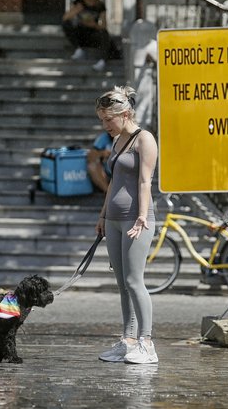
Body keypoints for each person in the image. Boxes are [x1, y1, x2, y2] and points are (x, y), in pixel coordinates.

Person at [94, 85, 159, 364]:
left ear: (126, 113)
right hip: (114, 221)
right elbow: (113, 183)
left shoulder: (144, 139)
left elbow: (145, 181)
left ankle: (147, 343)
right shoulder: (116, 141)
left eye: (109, 119)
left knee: (135, 281)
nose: (105, 125)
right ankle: (128, 340)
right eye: (102, 120)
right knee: (122, 284)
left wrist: (142, 216)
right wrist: (102, 215)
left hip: (136, 219)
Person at [62, 0, 110, 72]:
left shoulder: (100, 5)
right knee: (66, 24)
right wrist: (75, 10)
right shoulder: (78, 2)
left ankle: (102, 61)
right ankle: (78, 50)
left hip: (92, 33)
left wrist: (94, 25)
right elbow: (65, 18)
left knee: (104, 34)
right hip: (80, 33)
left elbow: (104, 25)